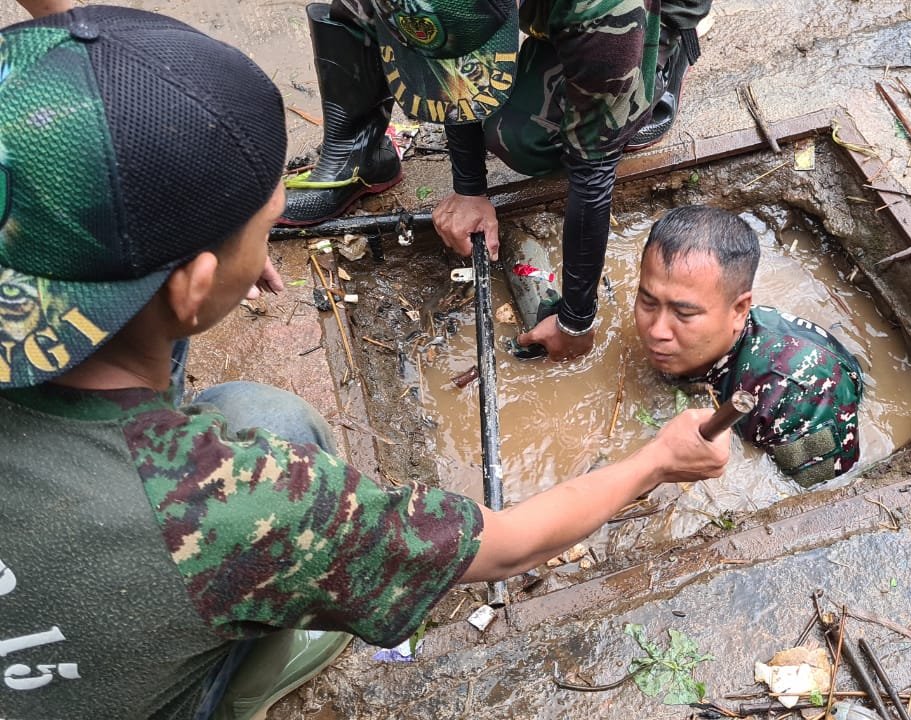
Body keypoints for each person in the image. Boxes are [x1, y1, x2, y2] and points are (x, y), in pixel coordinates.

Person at [0, 7, 728, 720]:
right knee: (274, 427)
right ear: (192, 285)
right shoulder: (249, 505)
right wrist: (657, 458)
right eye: (260, 229)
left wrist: (209, 261)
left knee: (260, 419)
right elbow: (505, 548)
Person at [279, 0, 711, 360]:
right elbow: (449, 68)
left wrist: (576, 320)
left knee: (522, 138)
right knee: (355, 9)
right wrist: (470, 188)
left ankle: (660, 64)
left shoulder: (604, 8)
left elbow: (593, 171)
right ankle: (360, 154)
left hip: (632, 17)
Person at [633, 206, 866, 488]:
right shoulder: (691, 333)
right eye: (648, 302)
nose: (656, 331)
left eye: (683, 314)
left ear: (739, 309)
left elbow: (820, 494)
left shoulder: (799, 397)